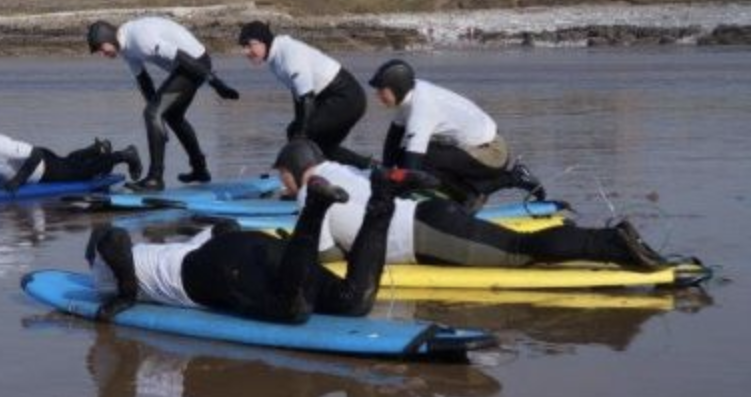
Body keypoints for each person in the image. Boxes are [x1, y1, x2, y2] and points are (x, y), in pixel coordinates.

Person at [85, 162, 418, 326]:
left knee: (293, 311)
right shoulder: (163, 251)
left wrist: (126, 295)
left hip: (219, 270)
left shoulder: (100, 272)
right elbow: (226, 228)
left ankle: (315, 207)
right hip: (245, 249)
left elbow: (112, 237)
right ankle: (383, 196)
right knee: (353, 301)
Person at [272, 138, 668, 270]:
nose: (282, 185)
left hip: (422, 237)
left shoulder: (312, 195)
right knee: (513, 244)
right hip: (428, 215)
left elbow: (326, 259)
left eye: (281, 177)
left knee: (517, 251)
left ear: (293, 171)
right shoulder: (339, 168)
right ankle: (596, 239)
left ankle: (611, 244)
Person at [86, 17, 239, 192]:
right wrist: (158, 122)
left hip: (194, 64)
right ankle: (199, 169)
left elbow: (181, 56)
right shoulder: (125, 47)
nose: (101, 54)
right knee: (172, 116)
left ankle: (155, 178)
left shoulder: (139, 38)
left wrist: (215, 82)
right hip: (185, 68)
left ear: (108, 38)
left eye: (100, 48)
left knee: (153, 113)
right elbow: (144, 81)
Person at [368, 58, 543, 209]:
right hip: (471, 148)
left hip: (492, 153)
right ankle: (466, 196)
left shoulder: (422, 108)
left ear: (397, 87)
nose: (377, 95)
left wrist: (393, 198)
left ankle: (513, 178)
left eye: (381, 90)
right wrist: (385, 174)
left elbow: (412, 166)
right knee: (405, 157)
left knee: (422, 160)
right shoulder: (409, 97)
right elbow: (392, 142)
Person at [237, 20, 369, 166]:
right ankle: (372, 167)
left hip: (346, 97)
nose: (246, 52)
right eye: (243, 47)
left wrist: (301, 136)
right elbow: (300, 100)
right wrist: (298, 134)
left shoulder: (288, 53)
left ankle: (303, 177)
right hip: (331, 98)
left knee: (303, 138)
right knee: (322, 147)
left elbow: (307, 98)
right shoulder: (275, 58)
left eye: (250, 45)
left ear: (264, 41)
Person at [0, 118, 142, 192]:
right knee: (69, 161)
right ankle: (95, 149)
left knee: (84, 172)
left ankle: (125, 155)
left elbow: (34, 154)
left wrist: (17, 182)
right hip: (44, 166)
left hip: (44, 169)